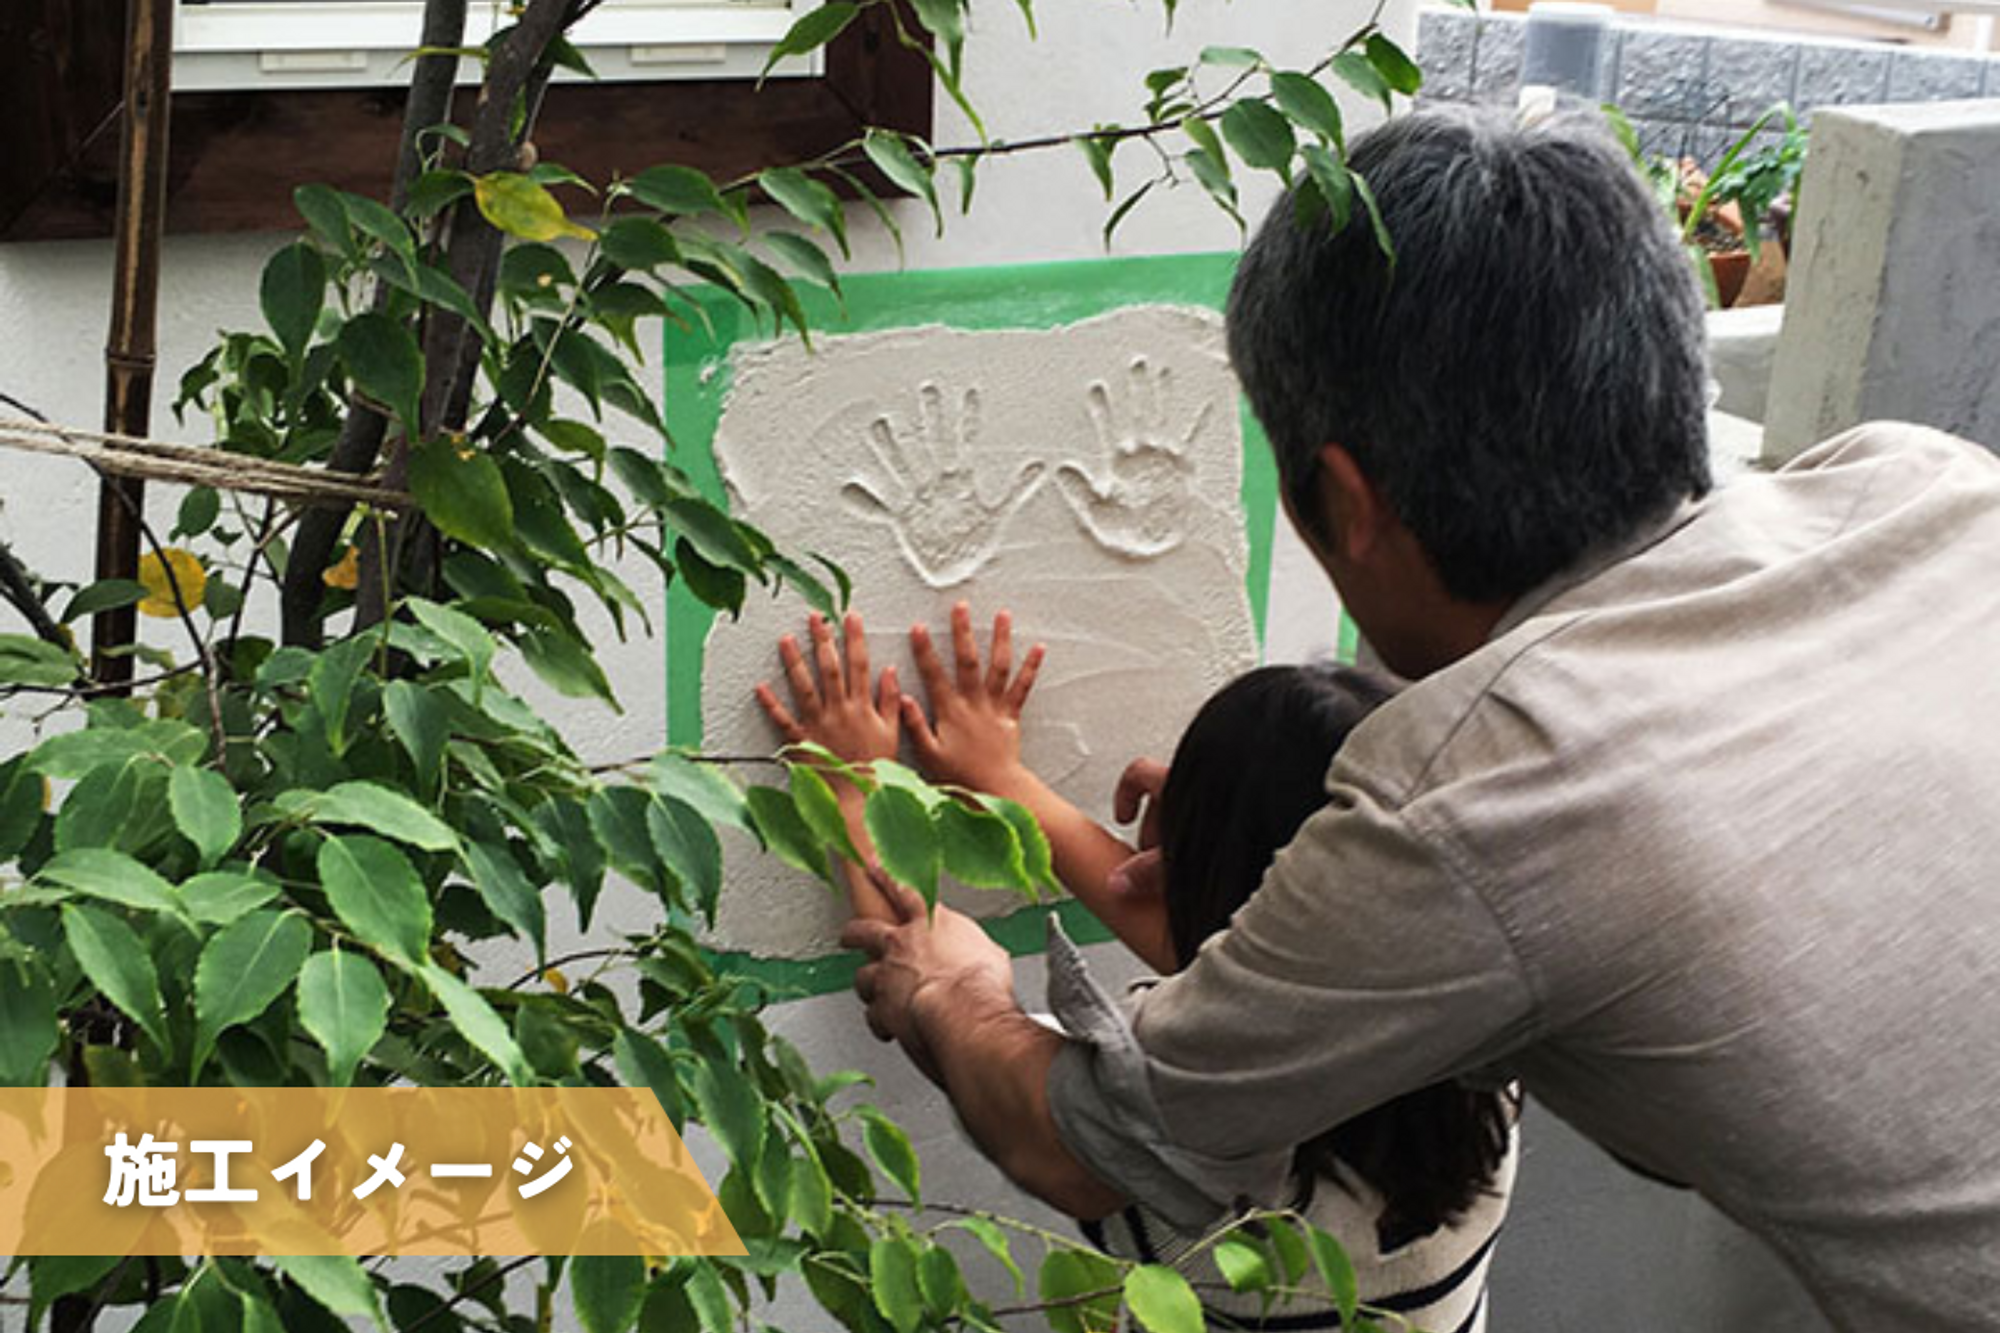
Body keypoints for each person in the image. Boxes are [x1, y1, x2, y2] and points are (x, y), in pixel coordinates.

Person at [836, 100, 2000, 1333]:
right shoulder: (1925, 487)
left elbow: (1084, 1137)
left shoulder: (1480, 802)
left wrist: (943, 982)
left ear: (1344, 501)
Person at [758, 610, 1518, 1329]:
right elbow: (1268, 971)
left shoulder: (1210, 1184)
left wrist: (854, 792)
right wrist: (1004, 781)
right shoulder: (1485, 1072)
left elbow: (934, 1007)